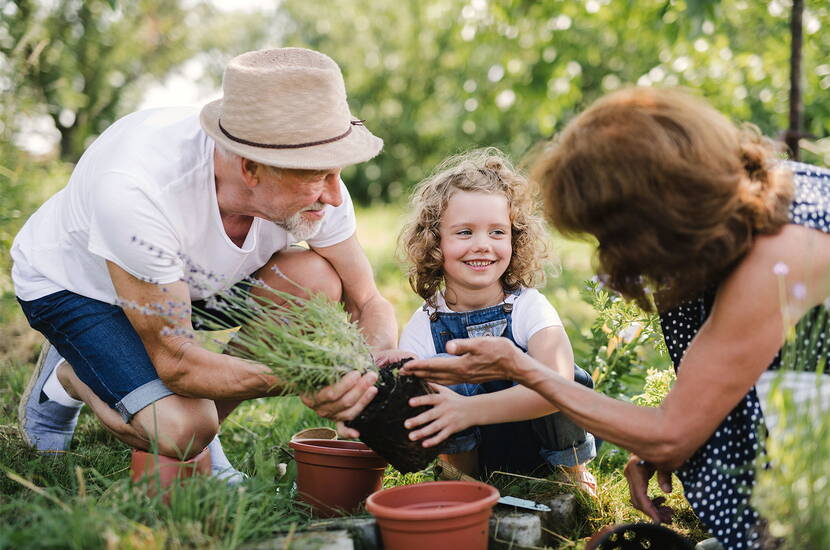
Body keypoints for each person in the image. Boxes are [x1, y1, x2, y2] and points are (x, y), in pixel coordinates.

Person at [400, 87, 830, 549]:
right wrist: (658, 439)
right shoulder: (749, 205)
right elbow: (715, 390)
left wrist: (519, 366)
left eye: (609, 234)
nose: (608, 255)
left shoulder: (780, 254)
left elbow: (672, 434)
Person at [12, 48, 400, 481]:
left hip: (186, 282)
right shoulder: (139, 190)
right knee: (180, 429)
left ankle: (204, 445)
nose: (334, 194)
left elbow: (366, 297)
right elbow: (177, 360)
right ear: (251, 168)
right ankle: (69, 376)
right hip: (79, 287)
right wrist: (307, 376)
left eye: (337, 172)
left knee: (316, 280)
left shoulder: (318, 185)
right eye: (317, 176)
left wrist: (372, 367)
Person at [397, 149, 597, 494]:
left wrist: (469, 410)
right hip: (477, 454)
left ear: (514, 238)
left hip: (539, 447)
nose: (481, 245)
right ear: (435, 241)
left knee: (565, 376)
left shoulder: (527, 307)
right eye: (464, 233)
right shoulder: (423, 323)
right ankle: (463, 482)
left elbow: (559, 385)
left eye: (496, 232)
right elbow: (407, 403)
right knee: (433, 374)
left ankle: (572, 476)